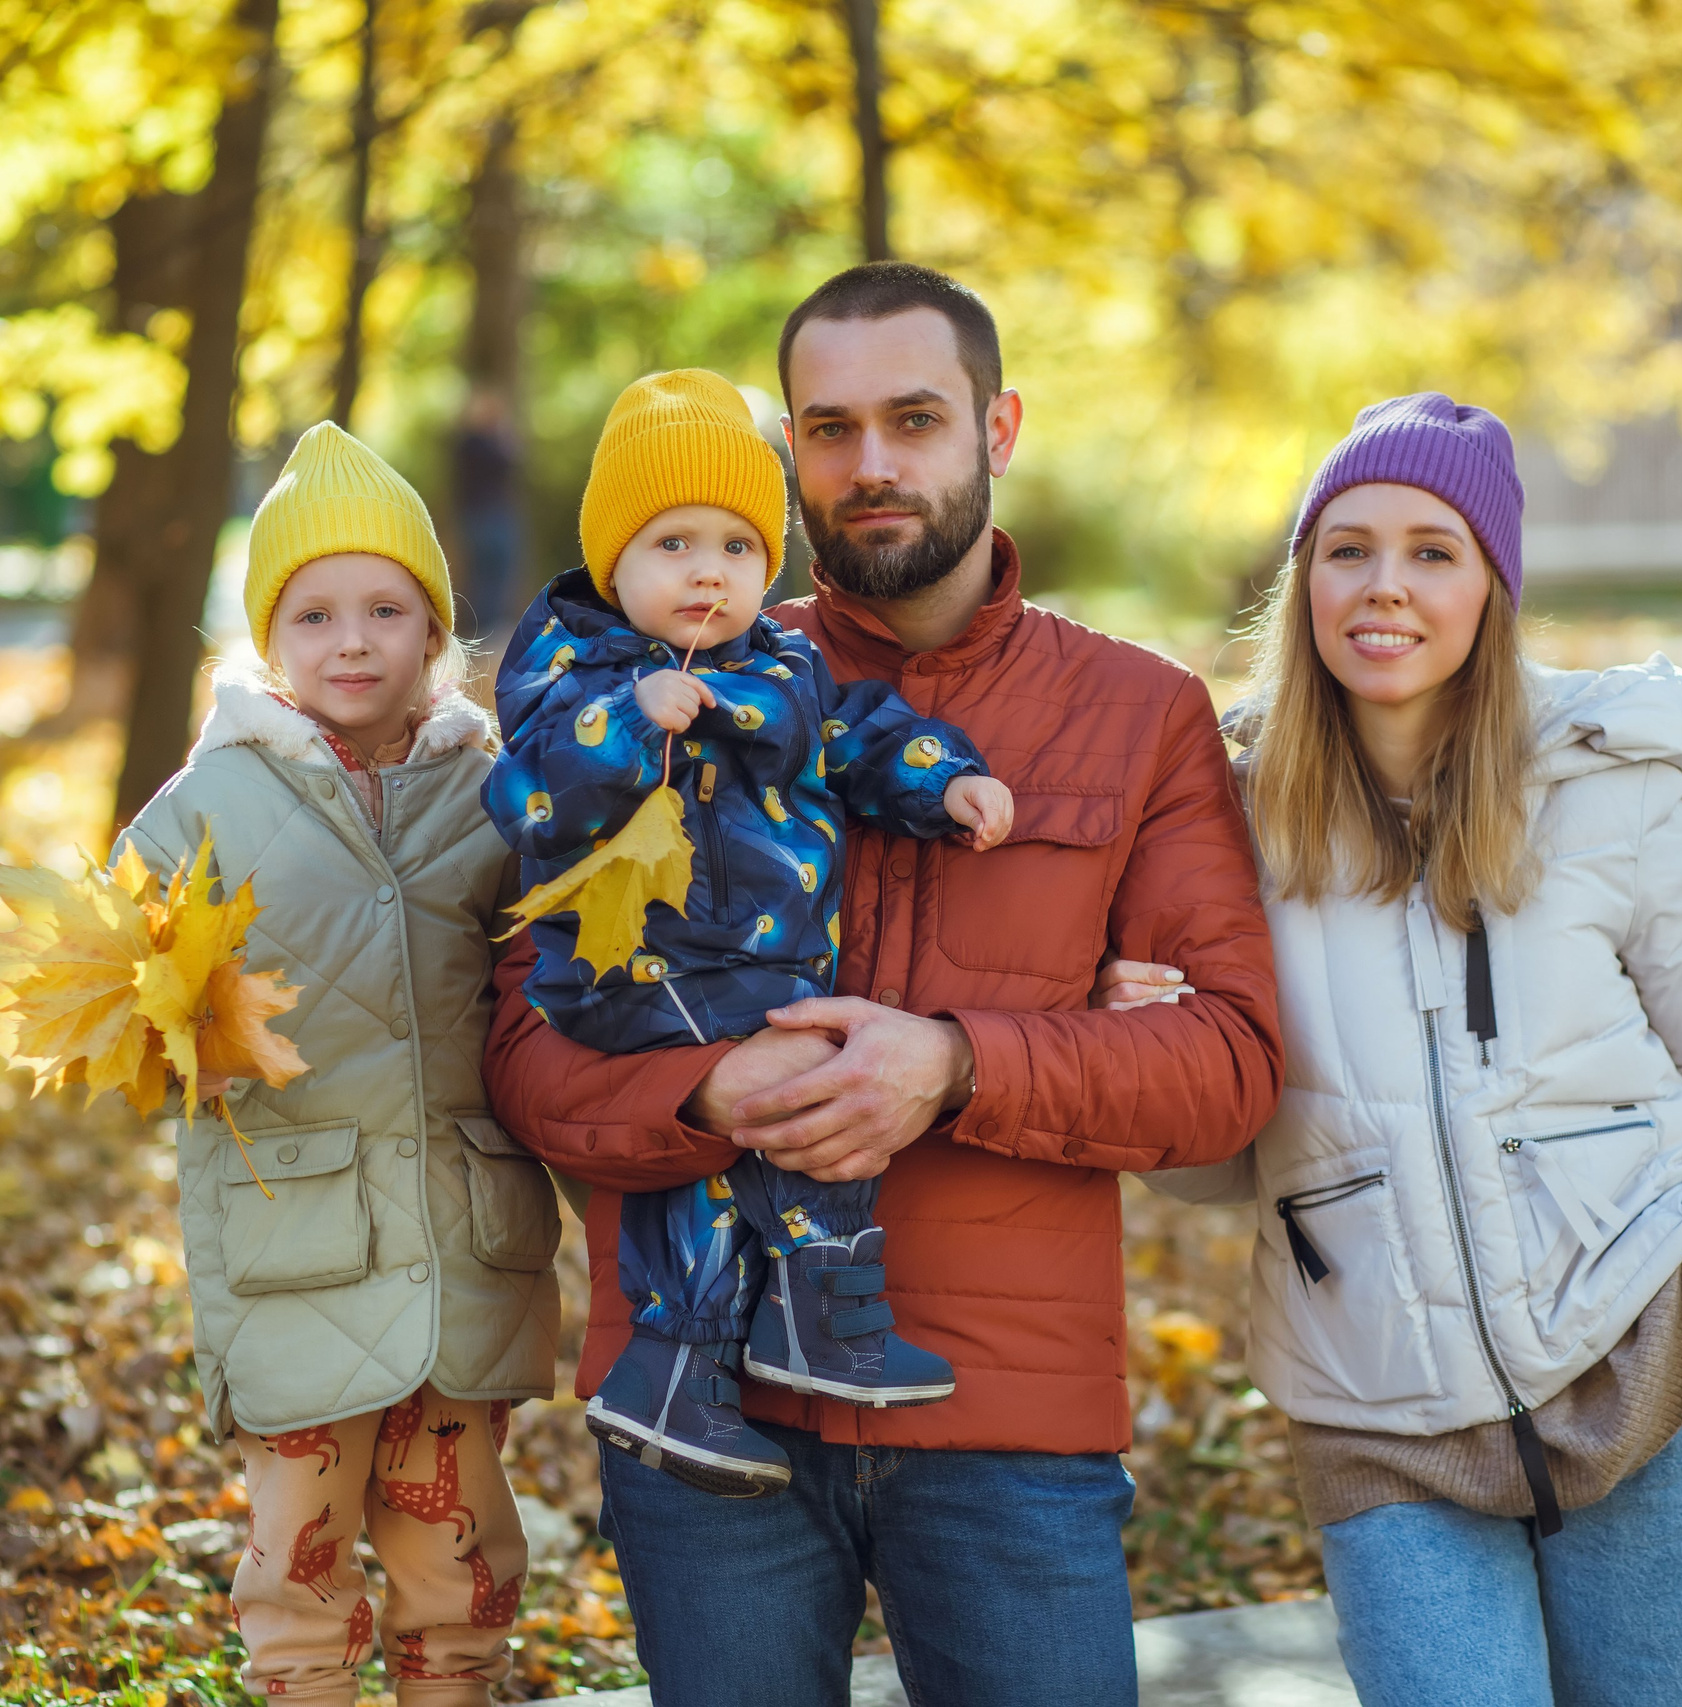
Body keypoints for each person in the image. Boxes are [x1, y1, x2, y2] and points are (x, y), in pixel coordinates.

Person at [483, 263, 1284, 1707]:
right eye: (830, 428)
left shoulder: (1136, 712)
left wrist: (962, 1060)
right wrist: (704, 1083)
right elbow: (525, 1056)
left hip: (1009, 1417)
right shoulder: (667, 688)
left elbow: (1226, 1063)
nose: (872, 465)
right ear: (790, 449)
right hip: (702, 1404)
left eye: (915, 418)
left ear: (1001, 423)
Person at [1116, 393, 1682, 1707]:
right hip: (1375, 1416)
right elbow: (1223, 1167)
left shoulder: (1601, 792)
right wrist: (1151, 1067)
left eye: (1432, 550)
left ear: (1490, 587)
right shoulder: (1225, 827)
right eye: (1348, 548)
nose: (1384, 586)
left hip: (1647, 1382)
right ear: (1302, 581)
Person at [484, 368, 1015, 1496]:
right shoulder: (573, 670)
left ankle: (706, 1362)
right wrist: (627, 724)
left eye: (734, 546)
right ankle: (800, 1319)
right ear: (612, 563)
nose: (707, 571)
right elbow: (524, 797)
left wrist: (945, 781)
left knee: (749, 1150)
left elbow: (858, 735)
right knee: (801, 1092)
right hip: (636, 964)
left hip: (762, 960)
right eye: (672, 544)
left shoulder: (780, 665)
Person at [119, 421, 561, 1706]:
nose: (352, 640)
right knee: (299, 1570)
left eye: (385, 608)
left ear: (435, 631)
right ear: (269, 641)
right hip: (295, 1244)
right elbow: (119, 996)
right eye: (313, 615)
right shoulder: (204, 808)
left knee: (461, 1563)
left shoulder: (496, 789)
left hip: (461, 1237)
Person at [450, 389, 523, 634]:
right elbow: (510, 459)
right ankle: (487, 627)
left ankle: (488, 626)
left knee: (491, 575)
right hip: (487, 517)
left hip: (484, 515)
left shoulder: (467, 444)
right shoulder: (476, 444)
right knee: (489, 574)